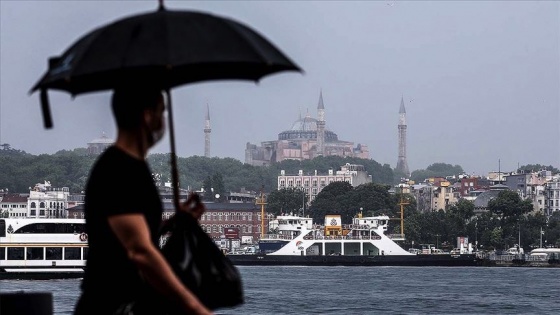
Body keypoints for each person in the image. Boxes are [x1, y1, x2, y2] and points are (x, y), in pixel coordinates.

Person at [74, 87, 212, 315]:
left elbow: (129, 233)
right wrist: (195, 307)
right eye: (162, 112)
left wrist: (176, 221)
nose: (164, 121)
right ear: (148, 116)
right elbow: (138, 249)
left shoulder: (132, 168)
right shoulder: (119, 170)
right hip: (112, 303)